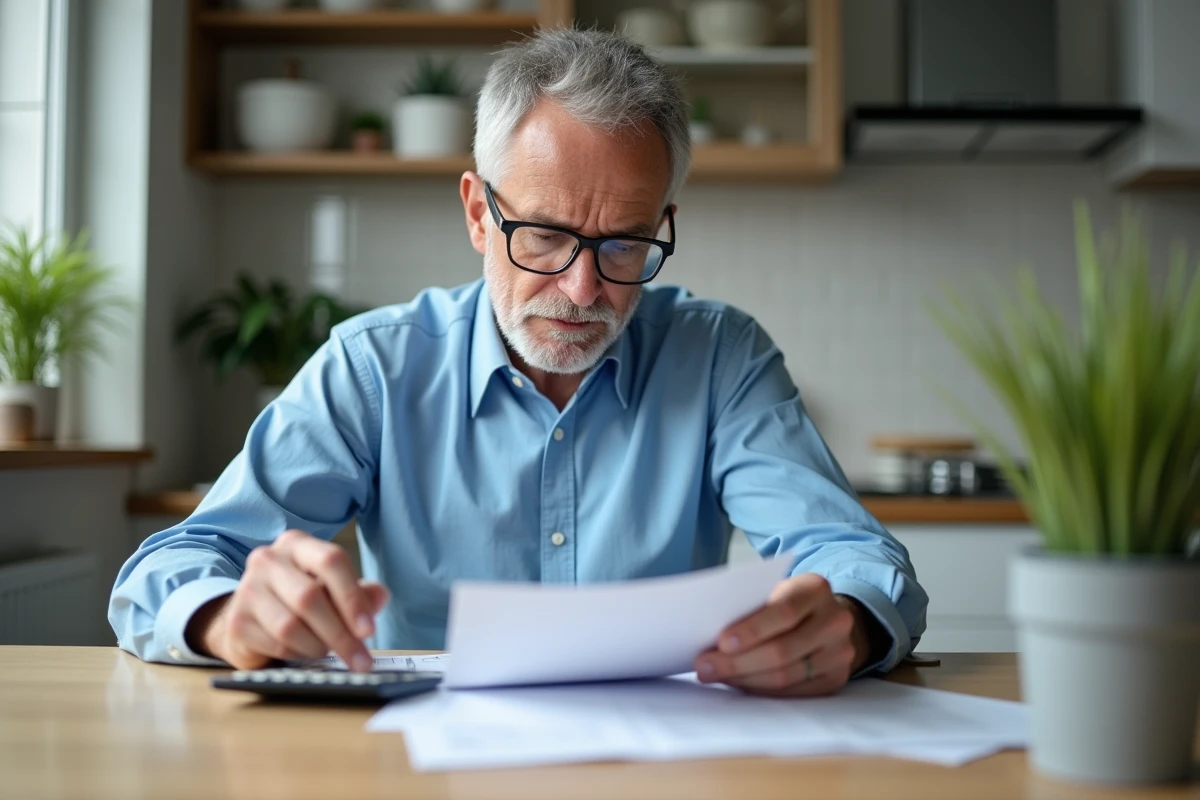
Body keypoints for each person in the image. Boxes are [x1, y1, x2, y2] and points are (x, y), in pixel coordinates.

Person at [110, 28, 927, 697]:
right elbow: (170, 568)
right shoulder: (375, 369)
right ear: (477, 212)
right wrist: (227, 617)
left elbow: (855, 558)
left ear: (663, 223)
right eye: (543, 235)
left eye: (625, 244)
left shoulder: (719, 359)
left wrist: (846, 624)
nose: (582, 288)